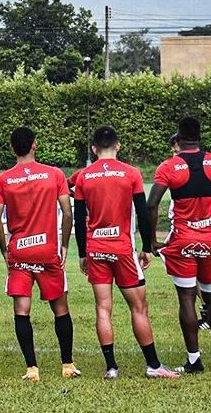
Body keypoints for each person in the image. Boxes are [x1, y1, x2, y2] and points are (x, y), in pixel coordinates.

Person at [74, 126, 178, 379]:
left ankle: (111, 368)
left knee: (102, 308)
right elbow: (142, 212)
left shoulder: (83, 177)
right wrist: (146, 248)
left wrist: (82, 254)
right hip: (122, 249)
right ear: (118, 146)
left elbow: (79, 219)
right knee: (139, 307)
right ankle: (153, 366)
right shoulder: (131, 173)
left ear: (93, 149)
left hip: (96, 249)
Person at [0, 127, 78, 382]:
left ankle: (32, 369)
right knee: (60, 308)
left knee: (22, 310)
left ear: (11, 148)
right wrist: (64, 245)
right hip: (48, 249)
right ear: (35, 145)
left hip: (19, 252)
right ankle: (67, 365)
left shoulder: (2, 180)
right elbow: (68, 212)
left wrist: (5, 249)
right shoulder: (54, 174)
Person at [147, 117, 211, 374]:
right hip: (210, 240)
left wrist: (151, 241)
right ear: (199, 136)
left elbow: (151, 204)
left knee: (186, 300)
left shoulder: (169, 166)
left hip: (183, 240)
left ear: (178, 139)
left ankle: (194, 360)